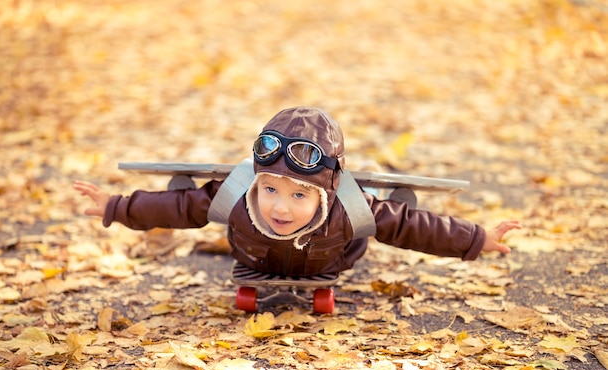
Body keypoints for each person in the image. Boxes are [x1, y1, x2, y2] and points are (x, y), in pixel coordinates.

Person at [74, 106, 521, 283]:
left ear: (325, 189)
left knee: (379, 221)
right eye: (270, 189)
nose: (279, 206)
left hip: (330, 258)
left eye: (298, 196)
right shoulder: (234, 194)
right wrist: (115, 206)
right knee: (210, 207)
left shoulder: (348, 204)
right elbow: (177, 206)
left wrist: (475, 238)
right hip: (255, 259)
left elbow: (409, 225)